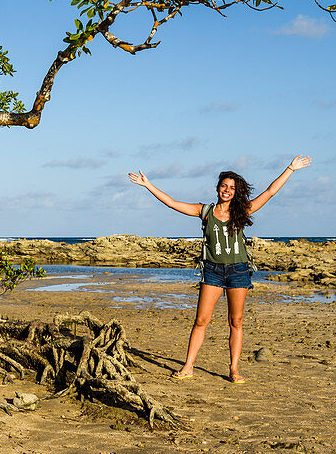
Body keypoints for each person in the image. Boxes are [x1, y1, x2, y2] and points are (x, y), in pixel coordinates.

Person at [128, 156, 311, 384]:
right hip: (212, 271)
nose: (227, 190)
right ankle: (188, 367)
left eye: (232, 188)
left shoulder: (242, 210)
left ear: (236, 192)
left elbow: (269, 192)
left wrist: (290, 168)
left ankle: (234, 369)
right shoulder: (205, 211)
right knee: (201, 321)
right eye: (224, 186)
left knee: (236, 322)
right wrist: (148, 185)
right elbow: (172, 203)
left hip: (239, 271)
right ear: (217, 188)